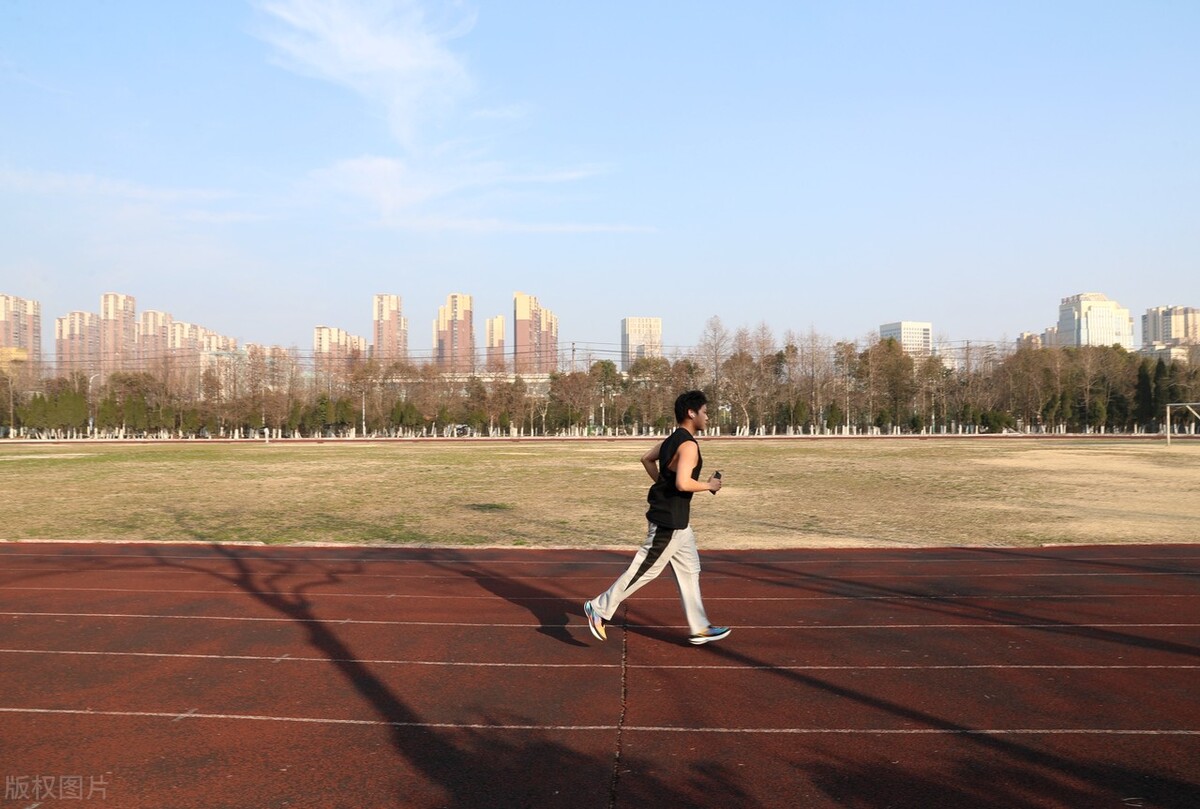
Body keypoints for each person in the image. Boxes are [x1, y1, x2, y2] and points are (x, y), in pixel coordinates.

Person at [584, 390, 730, 646]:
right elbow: (684, 484)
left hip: (678, 523)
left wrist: (664, 484)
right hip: (669, 522)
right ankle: (599, 608)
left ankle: (700, 627)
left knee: (689, 570)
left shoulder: (672, 440)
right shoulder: (689, 446)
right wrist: (709, 485)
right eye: (705, 412)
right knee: (644, 570)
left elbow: (646, 459)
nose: (708, 417)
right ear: (691, 413)